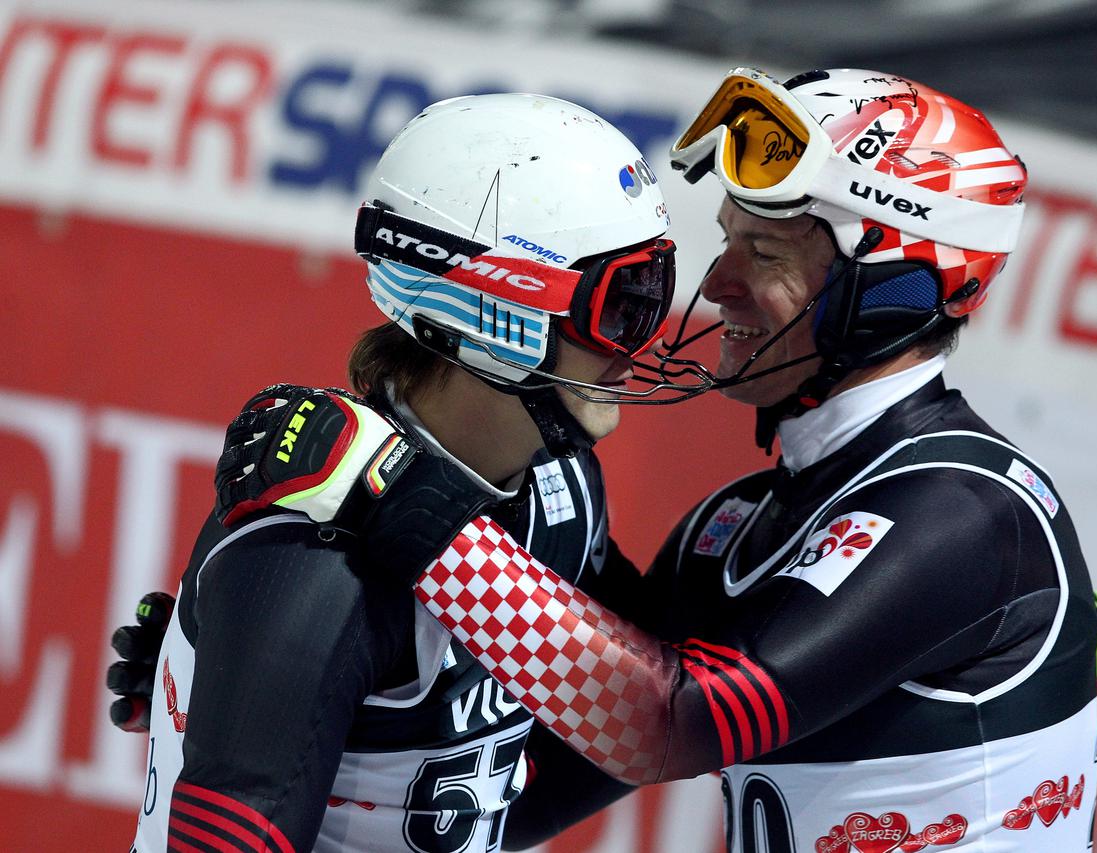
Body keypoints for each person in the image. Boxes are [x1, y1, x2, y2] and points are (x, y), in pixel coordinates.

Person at [115, 68, 1097, 852]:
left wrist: (396, 497)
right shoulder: (737, 526)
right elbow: (558, 750)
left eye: (761, 256)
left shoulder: (969, 509)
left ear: (891, 288)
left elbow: (674, 721)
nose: (713, 287)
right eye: (722, 244)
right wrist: (247, 689)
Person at [112, 92, 680, 853]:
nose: (635, 343)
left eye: (656, 294)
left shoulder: (563, 489)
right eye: (623, 304)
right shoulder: (313, 559)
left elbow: (657, 717)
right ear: (495, 309)